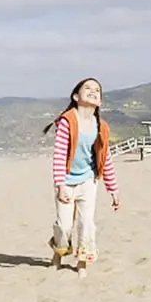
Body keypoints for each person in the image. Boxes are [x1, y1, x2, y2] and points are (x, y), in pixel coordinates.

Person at [43, 77, 120, 277]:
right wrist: (60, 185)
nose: (93, 91)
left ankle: (82, 262)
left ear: (100, 101)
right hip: (66, 181)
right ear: (76, 96)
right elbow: (59, 155)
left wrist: (113, 189)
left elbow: (106, 158)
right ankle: (58, 253)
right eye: (88, 88)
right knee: (64, 226)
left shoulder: (101, 126)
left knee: (87, 223)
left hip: (88, 180)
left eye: (97, 90)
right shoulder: (68, 121)